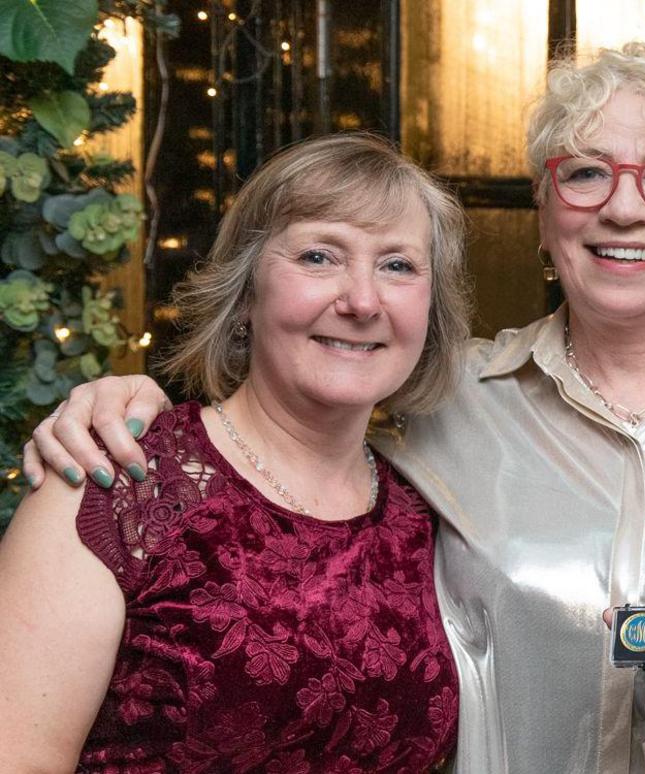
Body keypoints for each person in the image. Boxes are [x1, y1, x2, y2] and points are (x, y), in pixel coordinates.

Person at [22, 44, 645, 774]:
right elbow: (271, 418)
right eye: (584, 173)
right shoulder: (441, 399)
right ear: (544, 212)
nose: (624, 208)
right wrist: (128, 401)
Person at [0, 133, 468, 771]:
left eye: (397, 266)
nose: (362, 301)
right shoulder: (111, 490)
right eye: (319, 256)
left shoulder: (430, 509)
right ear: (246, 292)